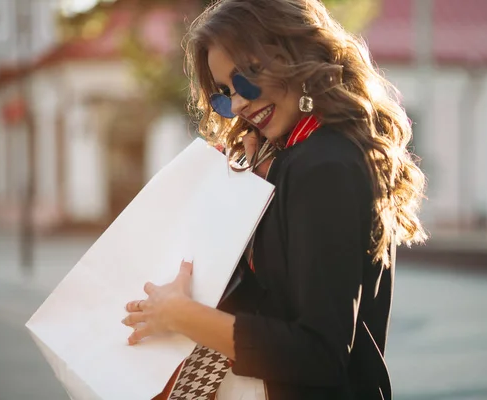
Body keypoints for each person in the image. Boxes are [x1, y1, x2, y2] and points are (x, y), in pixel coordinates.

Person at [122, 0, 427, 398]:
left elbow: (319, 353)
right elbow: (269, 294)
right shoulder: (290, 156)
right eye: (224, 93)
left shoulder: (325, 166)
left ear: (295, 53)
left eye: (247, 77)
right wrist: (245, 190)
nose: (237, 104)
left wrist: (181, 315)